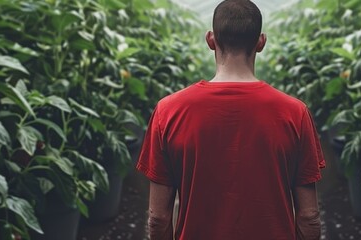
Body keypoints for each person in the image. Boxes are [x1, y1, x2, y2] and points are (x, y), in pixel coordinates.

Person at [136, 0, 326, 239]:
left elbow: (158, 217)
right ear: (261, 42)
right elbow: (309, 216)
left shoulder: (169, 111)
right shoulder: (294, 113)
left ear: (210, 40)